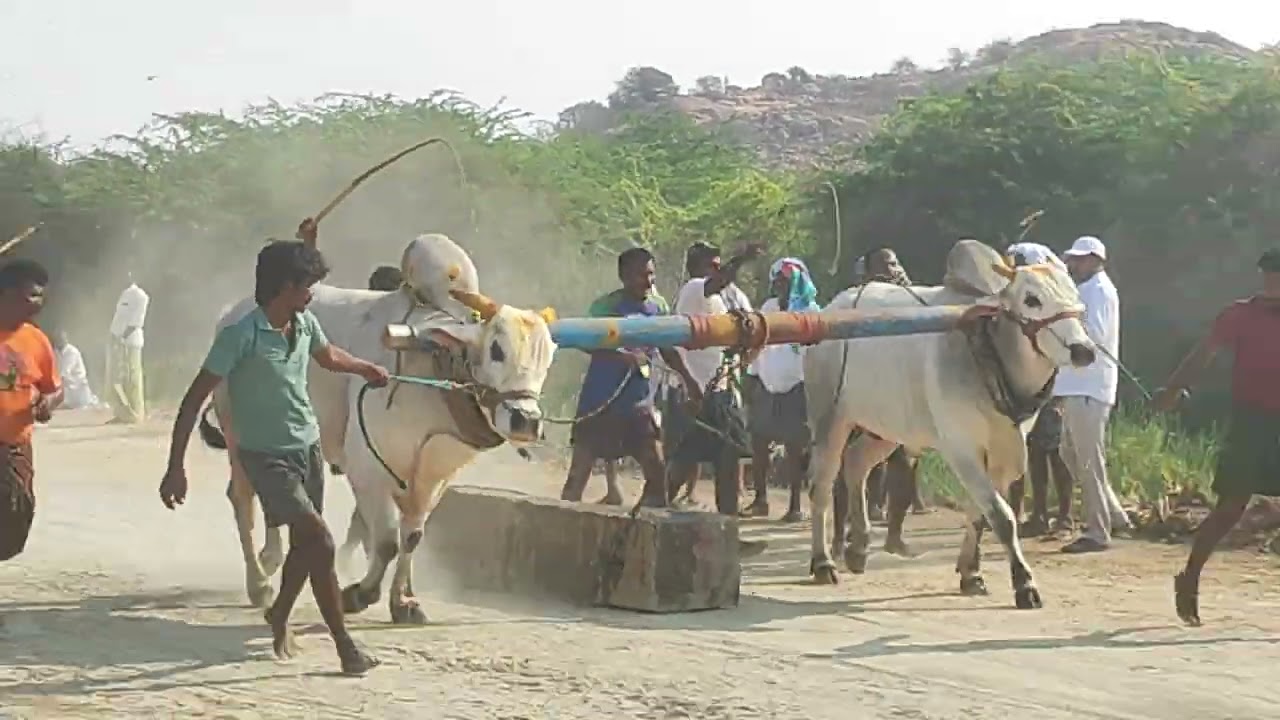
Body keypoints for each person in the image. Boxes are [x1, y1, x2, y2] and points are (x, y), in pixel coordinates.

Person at [159, 219, 389, 675]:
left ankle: (280, 611)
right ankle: (345, 646)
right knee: (320, 541)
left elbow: (329, 357)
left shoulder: (304, 324)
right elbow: (192, 401)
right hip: (265, 457)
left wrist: (365, 368)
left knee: (308, 547)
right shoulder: (239, 336)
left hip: (308, 449)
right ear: (287, 286)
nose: (313, 294)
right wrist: (174, 467)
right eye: (309, 286)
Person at [1156, 248, 1280, 626]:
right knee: (1231, 506)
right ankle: (1190, 576)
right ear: (1263, 275)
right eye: (1272, 274)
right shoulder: (1239, 314)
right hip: (1251, 421)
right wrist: (1174, 389)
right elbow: (1203, 354)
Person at [561, 247, 702, 508]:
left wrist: (689, 380)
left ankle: (643, 535)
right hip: (599, 402)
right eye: (641, 275)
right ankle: (555, 536)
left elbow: (667, 347)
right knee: (577, 477)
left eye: (651, 275)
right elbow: (583, 340)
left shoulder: (658, 307)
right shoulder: (605, 306)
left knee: (657, 475)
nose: (648, 281)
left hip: (638, 404)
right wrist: (619, 355)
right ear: (624, 276)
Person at [665, 241, 763, 515]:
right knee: (682, 462)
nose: (720, 273)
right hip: (694, 392)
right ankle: (653, 515)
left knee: (729, 460)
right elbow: (717, 283)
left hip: (719, 389)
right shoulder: (695, 288)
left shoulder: (719, 300)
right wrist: (741, 258)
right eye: (714, 266)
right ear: (698, 267)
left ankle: (728, 530)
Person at [1056, 235, 1132, 554]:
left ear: (1096, 260)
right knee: (1070, 454)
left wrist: (1066, 321)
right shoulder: (1087, 289)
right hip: (1077, 386)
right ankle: (1114, 514)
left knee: (1088, 462)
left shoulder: (1097, 290)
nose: (1074, 264)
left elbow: (1095, 336)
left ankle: (1098, 531)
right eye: (1073, 258)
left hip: (1088, 386)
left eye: (1080, 259)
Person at [1004, 243, 1076, 536]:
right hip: (1024, 386)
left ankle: (1065, 517)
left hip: (1054, 385)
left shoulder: (1057, 298)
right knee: (1028, 452)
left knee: (1054, 452)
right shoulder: (1018, 296)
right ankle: (1031, 515)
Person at [741, 257, 820, 522]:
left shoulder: (810, 311)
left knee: (794, 448)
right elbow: (759, 343)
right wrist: (751, 375)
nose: (780, 285)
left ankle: (795, 505)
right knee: (759, 444)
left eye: (785, 281)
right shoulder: (770, 307)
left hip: (797, 386)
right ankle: (760, 500)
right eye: (777, 280)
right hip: (767, 382)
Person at [0, 259, 62, 565]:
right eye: (31, 295)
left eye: (41, 296)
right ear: (7, 294)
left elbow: (55, 389)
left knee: (17, 513)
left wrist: (46, 404)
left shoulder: (36, 340)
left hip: (14, 447)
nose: (39, 303)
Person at [106, 274, 149, 424]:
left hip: (129, 342)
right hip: (117, 342)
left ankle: (134, 414)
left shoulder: (140, 296)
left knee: (132, 378)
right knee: (118, 378)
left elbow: (136, 321)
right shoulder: (123, 294)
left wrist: (122, 338)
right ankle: (122, 413)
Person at [52, 331, 102, 410]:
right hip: (65, 386)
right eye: (57, 340)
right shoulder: (55, 352)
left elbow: (65, 372)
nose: (58, 342)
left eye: (60, 339)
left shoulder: (72, 352)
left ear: (65, 340)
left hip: (77, 385)